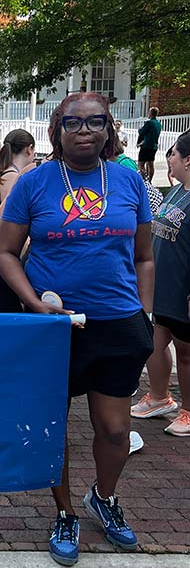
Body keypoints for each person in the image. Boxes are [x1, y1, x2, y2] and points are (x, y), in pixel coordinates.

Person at [0, 92, 154, 566]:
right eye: (73, 123)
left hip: (118, 323)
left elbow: (145, 257)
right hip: (53, 328)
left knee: (114, 429)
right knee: (53, 427)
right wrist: (31, 303)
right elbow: (4, 252)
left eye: (95, 122)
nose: (83, 131)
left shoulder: (129, 181)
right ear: (56, 130)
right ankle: (65, 512)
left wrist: (144, 312)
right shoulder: (34, 184)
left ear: (109, 129)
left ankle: (102, 498)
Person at [131, 130, 190, 437]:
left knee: (186, 352)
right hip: (163, 289)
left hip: (184, 291)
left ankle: (188, 411)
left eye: (173, 154)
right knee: (153, 343)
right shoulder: (178, 190)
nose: (169, 159)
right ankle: (158, 397)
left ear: (188, 160)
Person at [0, 129, 36, 313]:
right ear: (29, 149)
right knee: (11, 313)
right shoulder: (12, 177)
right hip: (0, 249)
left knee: (1, 309)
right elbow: (5, 220)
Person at [137, 107, 162, 183]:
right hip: (154, 146)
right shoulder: (158, 123)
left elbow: (142, 132)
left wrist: (140, 129)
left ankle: (144, 181)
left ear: (151, 113)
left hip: (146, 146)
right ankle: (150, 181)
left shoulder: (149, 123)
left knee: (141, 164)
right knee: (151, 164)